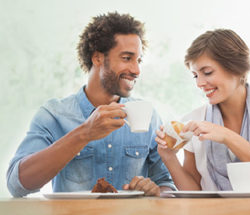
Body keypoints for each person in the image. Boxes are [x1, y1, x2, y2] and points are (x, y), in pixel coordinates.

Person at [7, 12, 175, 197]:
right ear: (97, 58)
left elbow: (166, 184)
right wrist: (84, 133)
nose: (136, 70)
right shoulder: (54, 114)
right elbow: (17, 185)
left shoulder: (148, 117)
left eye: (139, 60)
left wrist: (154, 191)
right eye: (127, 58)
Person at [156, 29, 250, 191]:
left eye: (207, 72)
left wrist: (227, 136)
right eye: (195, 75)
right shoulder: (195, 120)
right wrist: (169, 158)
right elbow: (193, 193)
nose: (199, 83)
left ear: (237, 68)